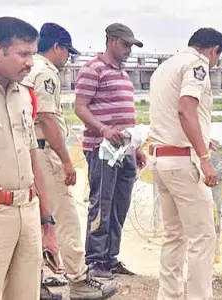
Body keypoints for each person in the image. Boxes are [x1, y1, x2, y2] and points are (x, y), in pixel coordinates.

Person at [23, 22, 117, 300]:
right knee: (65, 219)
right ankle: (79, 280)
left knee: (35, 220)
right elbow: (48, 119)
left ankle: (34, 283)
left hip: (29, 151)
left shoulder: (30, 70)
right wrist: (65, 159)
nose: (68, 59)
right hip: (43, 153)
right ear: (56, 47)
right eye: (67, 53)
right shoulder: (45, 73)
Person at [0, 16, 59, 300]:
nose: (30, 63)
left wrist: (47, 219)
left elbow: (32, 155)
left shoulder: (23, 94)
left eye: (32, 54)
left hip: (27, 212)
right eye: (23, 54)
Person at [148, 27, 222, 300]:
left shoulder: (165, 67)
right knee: (203, 237)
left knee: (174, 236)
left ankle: (167, 296)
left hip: (160, 158)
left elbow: (172, 114)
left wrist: (204, 139)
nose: (215, 64)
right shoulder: (197, 64)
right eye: (218, 57)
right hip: (182, 163)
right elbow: (185, 108)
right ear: (214, 49)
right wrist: (205, 159)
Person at [74, 22, 146, 278]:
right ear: (112, 41)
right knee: (101, 206)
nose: (129, 50)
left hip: (125, 151)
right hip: (102, 150)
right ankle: (94, 261)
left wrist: (135, 148)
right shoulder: (93, 69)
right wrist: (103, 128)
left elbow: (128, 117)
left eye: (131, 46)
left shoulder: (123, 75)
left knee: (119, 207)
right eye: (126, 44)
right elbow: (80, 107)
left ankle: (111, 258)